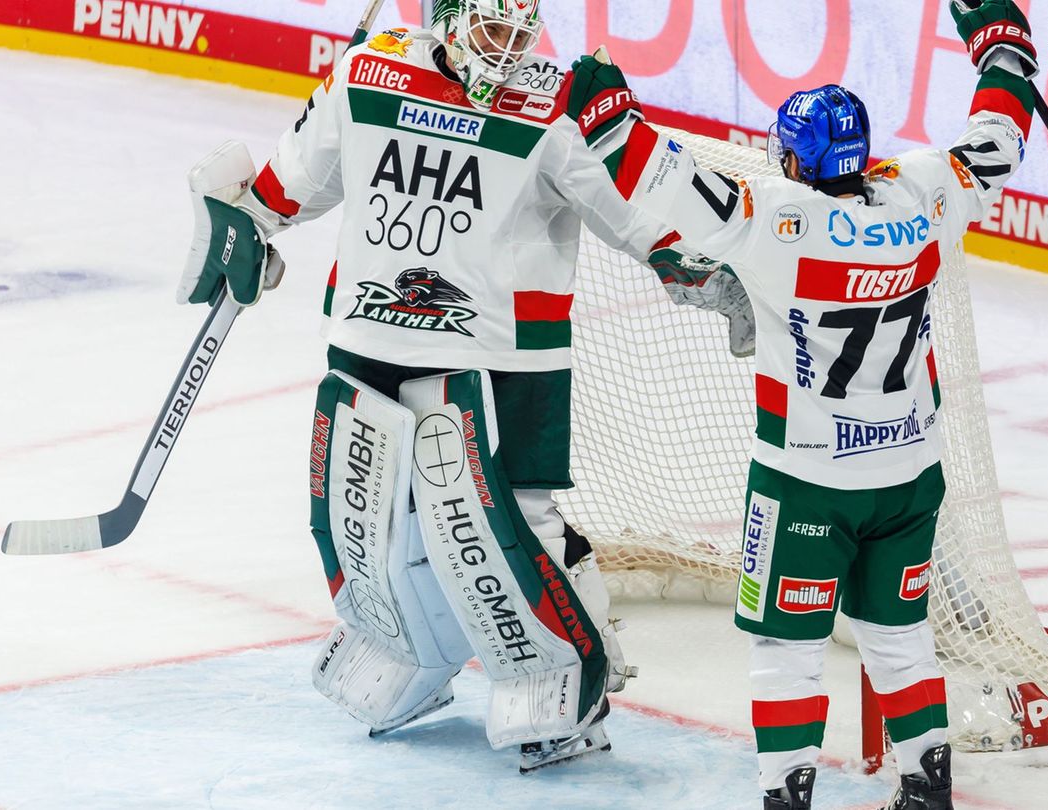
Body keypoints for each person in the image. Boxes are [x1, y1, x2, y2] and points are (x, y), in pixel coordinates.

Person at [174, 0, 747, 772]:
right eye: (491, 29)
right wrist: (244, 224)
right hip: (371, 336)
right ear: (447, 19)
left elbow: (627, 211)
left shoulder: (552, 102)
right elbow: (291, 185)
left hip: (505, 353)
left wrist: (693, 268)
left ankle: (572, 671)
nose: (506, 51)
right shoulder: (366, 72)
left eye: (519, 33)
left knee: (511, 523)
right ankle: (407, 650)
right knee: (367, 517)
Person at [562, 0, 1041, 805]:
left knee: (785, 650)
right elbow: (998, 139)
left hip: (807, 484)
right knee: (899, 637)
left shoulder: (775, 223)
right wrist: (1002, 43)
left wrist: (600, 99)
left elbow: (651, 171)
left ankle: (786, 794)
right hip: (910, 477)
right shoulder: (924, 193)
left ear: (797, 157)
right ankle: (927, 791)